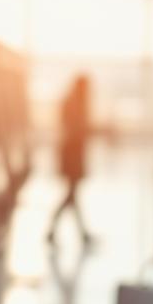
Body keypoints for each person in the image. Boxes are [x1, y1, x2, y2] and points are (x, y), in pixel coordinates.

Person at [47, 74, 97, 244]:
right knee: (71, 195)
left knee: (72, 196)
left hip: (71, 154)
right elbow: (75, 131)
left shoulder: (71, 101)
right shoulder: (74, 104)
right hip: (71, 156)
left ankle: (81, 234)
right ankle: (53, 230)